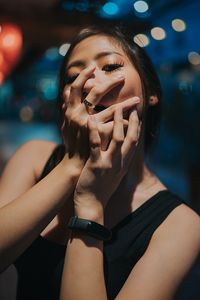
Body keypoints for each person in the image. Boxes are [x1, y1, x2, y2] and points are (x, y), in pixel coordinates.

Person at [0, 26, 199, 300]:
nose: (90, 83)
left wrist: (90, 207)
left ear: (151, 91)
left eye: (110, 66)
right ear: (65, 103)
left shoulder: (180, 224)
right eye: (74, 76)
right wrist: (73, 164)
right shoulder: (34, 157)